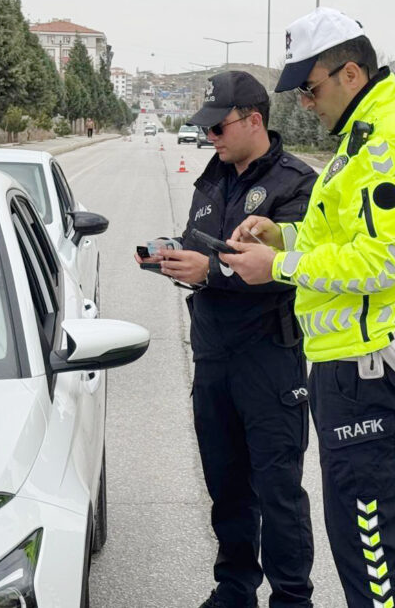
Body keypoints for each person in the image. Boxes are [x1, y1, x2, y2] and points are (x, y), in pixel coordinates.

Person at [221, 8, 395, 608]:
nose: (305, 103)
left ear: (351, 74)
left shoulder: (389, 142)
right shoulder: (365, 136)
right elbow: (344, 240)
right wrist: (283, 237)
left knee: (369, 551)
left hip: (368, 370)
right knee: (357, 542)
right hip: (350, 366)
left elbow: (379, 262)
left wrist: (280, 267)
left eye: (311, 88)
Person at [136, 70, 318, 608]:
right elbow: (204, 244)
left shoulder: (296, 184)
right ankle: (235, 589)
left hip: (269, 357)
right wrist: (173, 256)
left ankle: (292, 598)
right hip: (213, 354)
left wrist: (210, 271)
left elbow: (286, 269)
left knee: (278, 489)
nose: (210, 137)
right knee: (225, 484)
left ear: (254, 120)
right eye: (207, 129)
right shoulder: (212, 177)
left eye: (219, 128)